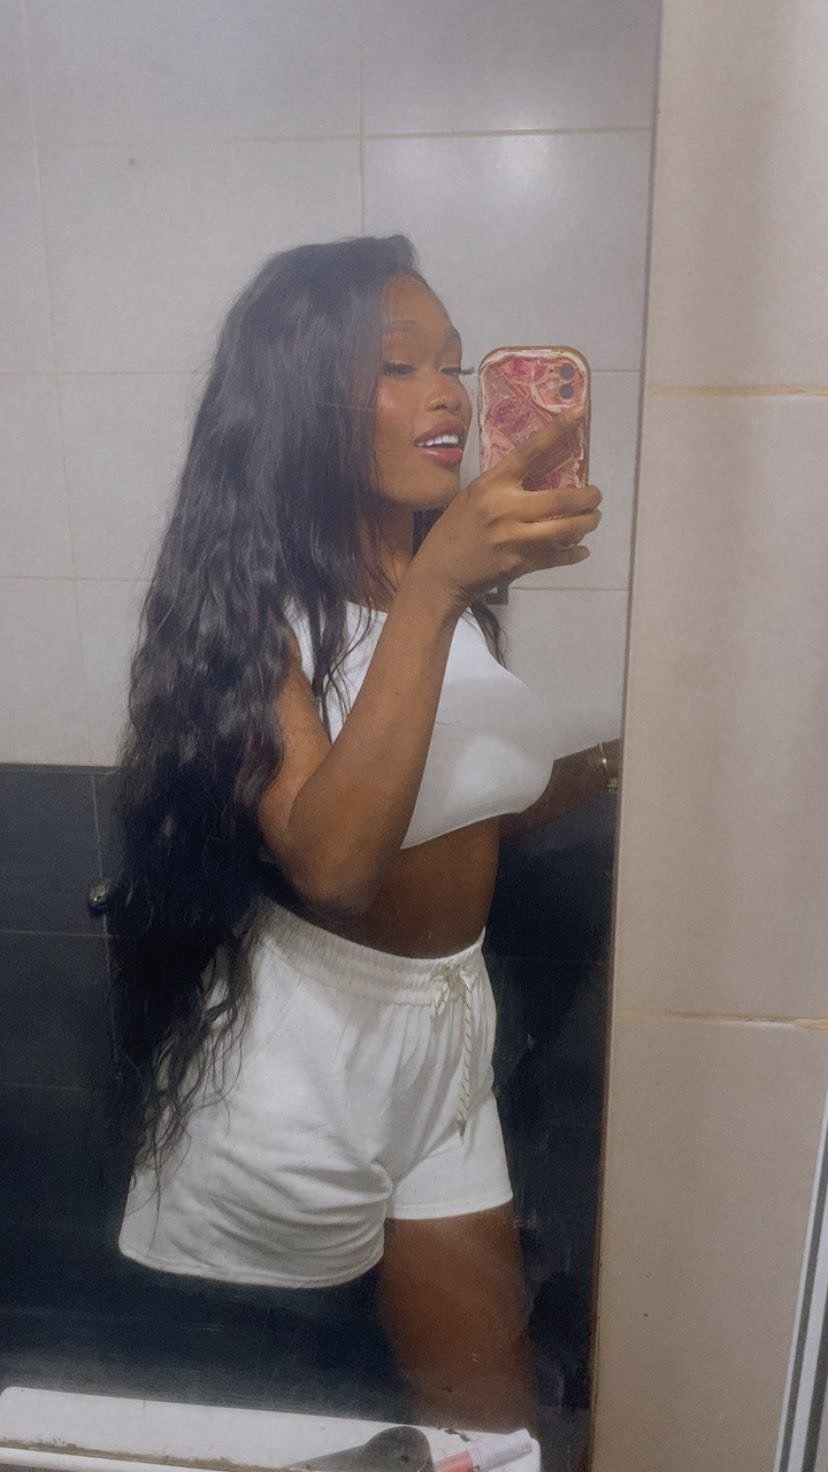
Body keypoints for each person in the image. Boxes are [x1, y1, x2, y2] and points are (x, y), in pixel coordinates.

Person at [110, 234, 618, 1437]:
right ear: (302, 399)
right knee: (266, 1424)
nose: (449, 395)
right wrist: (440, 590)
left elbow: (456, 795)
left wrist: (611, 764)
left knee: (488, 1422)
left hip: (447, 1035)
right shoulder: (264, 613)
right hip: (305, 1059)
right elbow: (334, 862)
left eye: (454, 363)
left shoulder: (435, 588)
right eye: (401, 365)